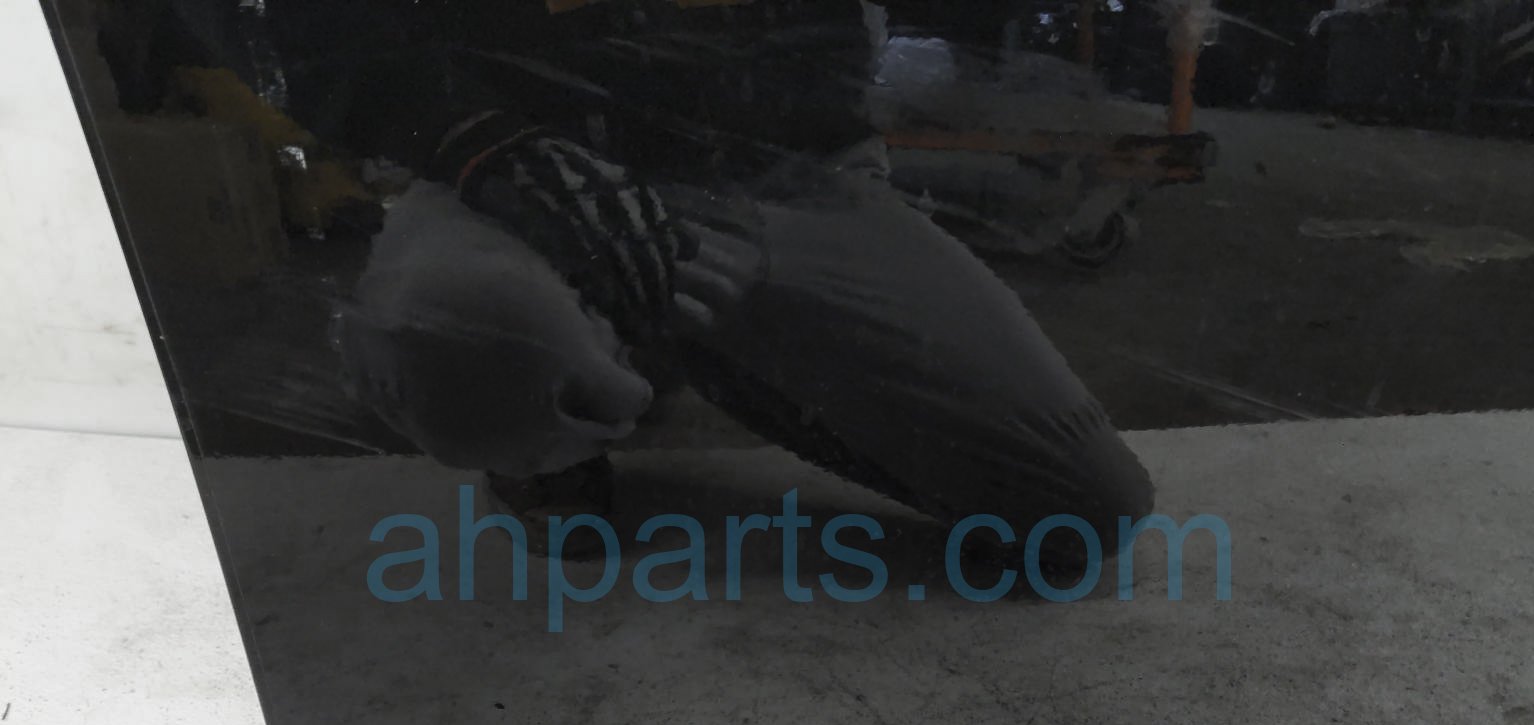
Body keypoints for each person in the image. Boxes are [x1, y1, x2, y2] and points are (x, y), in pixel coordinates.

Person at [328, 0, 1157, 559]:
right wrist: (481, 144)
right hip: (531, 171)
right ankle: (543, 453)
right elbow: (318, 34)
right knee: (459, 332)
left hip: (780, 173)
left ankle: (718, 349)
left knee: (1080, 511)